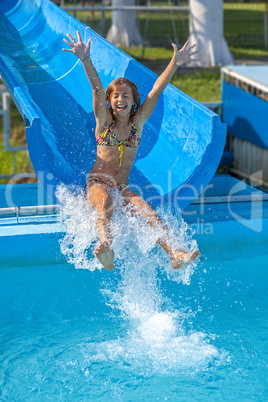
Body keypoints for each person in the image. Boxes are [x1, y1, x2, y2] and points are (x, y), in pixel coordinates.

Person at [63, 31, 200, 271]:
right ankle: (106, 247)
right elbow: (96, 90)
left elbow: (156, 91)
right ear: (110, 101)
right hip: (98, 183)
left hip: (121, 187)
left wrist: (174, 63)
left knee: (145, 210)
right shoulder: (105, 123)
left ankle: (174, 253)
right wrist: (85, 59)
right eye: (115, 96)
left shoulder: (137, 124)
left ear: (134, 101)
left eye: (125, 95)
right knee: (105, 201)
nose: (120, 99)